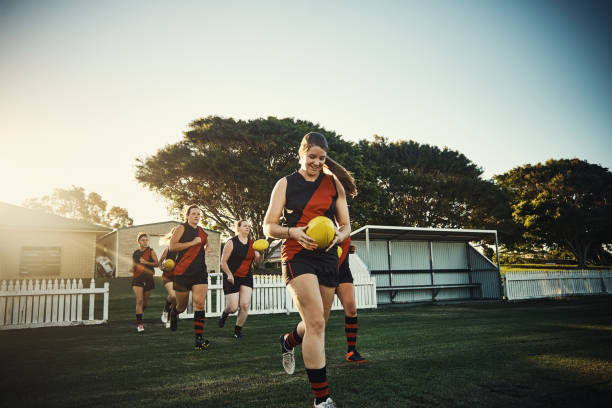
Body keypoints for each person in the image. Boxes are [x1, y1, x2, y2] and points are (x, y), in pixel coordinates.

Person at [263, 131, 357, 408]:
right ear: (301, 154)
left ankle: (288, 340)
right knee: (316, 322)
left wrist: (339, 237)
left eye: (321, 158)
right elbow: (268, 226)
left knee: (318, 322)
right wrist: (291, 231)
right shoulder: (285, 184)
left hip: (328, 257)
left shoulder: (334, 184)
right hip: (296, 254)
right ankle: (322, 399)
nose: (316, 162)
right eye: (312, 157)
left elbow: (346, 225)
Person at [168, 205, 212, 350]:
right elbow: (172, 247)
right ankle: (174, 313)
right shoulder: (182, 228)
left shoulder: (201, 231)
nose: (196, 216)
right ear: (187, 215)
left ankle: (198, 339)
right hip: (182, 273)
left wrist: (208, 246)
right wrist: (192, 243)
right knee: (182, 306)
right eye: (193, 213)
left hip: (199, 272)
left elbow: (205, 239)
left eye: (199, 214)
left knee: (200, 304)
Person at [218, 220, 263, 338]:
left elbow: (258, 263)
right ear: (238, 228)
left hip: (246, 276)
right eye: (245, 226)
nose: (247, 228)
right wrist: (229, 274)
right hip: (231, 276)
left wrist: (260, 254)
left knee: (245, 305)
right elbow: (223, 262)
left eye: (249, 226)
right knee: (233, 308)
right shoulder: (231, 242)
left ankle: (237, 331)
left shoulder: (253, 244)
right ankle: (225, 313)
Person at [336, 238, 366, 363]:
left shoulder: (344, 225)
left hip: (343, 272)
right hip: (324, 272)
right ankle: (289, 340)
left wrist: (346, 248)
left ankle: (351, 352)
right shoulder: (321, 220)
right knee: (316, 319)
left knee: (352, 311)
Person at [131, 233, 158, 333]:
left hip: (148, 279)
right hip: (137, 279)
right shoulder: (135, 253)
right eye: (143, 240)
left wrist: (146, 263)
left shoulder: (151, 251)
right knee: (140, 301)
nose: (145, 242)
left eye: (146, 240)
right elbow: (134, 265)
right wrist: (133, 269)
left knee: (145, 303)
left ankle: (140, 316)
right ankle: (139, 325)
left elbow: (157, 264)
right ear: (138, 242)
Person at [158, 227, 178, 329]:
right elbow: (159, 262)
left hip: (178, 277)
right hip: (168, 276)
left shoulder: (184, 250)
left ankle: (170, 319)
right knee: (173, 295)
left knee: (175, 299)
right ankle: (166, 311)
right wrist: (163, 268)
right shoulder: (168, 250)